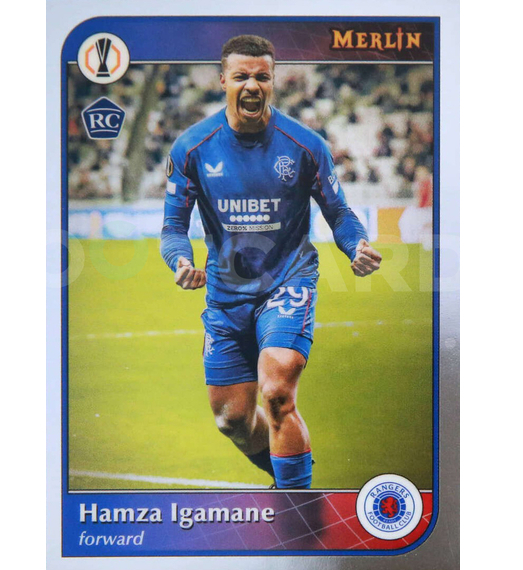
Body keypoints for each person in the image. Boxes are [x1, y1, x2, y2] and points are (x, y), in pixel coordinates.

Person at [160, 35, 381, 489]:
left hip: (287, 282)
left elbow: (339, 213)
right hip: (226, 297)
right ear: (223, 81)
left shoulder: (305, 145)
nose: (252, 85)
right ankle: (287, 482)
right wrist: (180, 261)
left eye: (262, 76)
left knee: (277, 391)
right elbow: (172, 227)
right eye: (241, 76)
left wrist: (356, 245)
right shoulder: (191, 148)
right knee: (232, 420)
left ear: (274, 81)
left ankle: (297, 509)